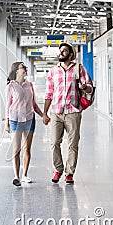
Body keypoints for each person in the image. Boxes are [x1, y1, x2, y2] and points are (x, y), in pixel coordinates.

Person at [43, 42, 93, 184]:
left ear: (71, 54)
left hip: (73, 112)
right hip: (56, 112)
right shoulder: (53, 71)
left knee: (73, 144)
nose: (61, 53)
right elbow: (48, 94)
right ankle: (58, 169)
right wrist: (45, 113)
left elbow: (89, 88)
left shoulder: (79, 69)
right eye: (60, 51)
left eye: (64, 51)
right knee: (54, 142)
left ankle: (69, 173)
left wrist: (85, 88)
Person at [5, 62, 43, 187]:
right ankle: (16, 177)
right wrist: (7, 122)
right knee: (16, 150)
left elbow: (34, 104)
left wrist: (43, 115)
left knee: (27, 149)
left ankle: (25, 175)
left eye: (26, 67)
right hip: (15, 120)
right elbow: (7, 105)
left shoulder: (30, 85)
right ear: (16, 71)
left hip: (29, 119)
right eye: (23, 67)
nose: (25, 69)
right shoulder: (11, 86)